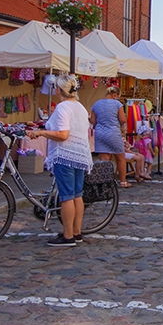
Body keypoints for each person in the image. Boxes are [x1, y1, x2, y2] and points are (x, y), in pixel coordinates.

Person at [25, 75, 92, 247]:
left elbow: (63, 134)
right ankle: (76, 232)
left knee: (67, 196)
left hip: (65, 155)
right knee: (77, 195)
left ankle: (68, 236)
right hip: (79, 155)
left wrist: (40, 133)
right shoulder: (80, 107)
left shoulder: (63, 107)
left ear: (59, 89)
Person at [89, 86, 131, 188]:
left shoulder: (96, 104)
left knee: (104, 160)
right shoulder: (117, 104)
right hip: (113, 132)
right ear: (115, 95)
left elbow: (93, 121)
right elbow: (122, 120)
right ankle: (123, 181)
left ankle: (105, 183)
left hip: (100, 133)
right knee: (120, 158)